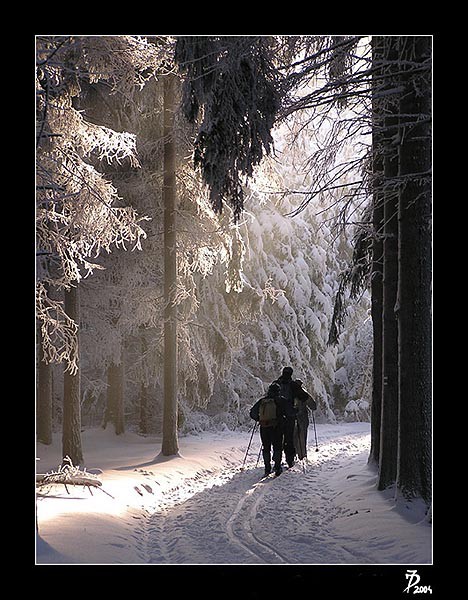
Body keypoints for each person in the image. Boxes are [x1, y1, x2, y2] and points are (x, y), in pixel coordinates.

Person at [274, 367, 314, 467]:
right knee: (290, 439)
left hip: (276, 417)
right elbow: (307, 399)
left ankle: (276, 461)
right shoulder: (293, 386)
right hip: (291, 416)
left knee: (278, 439)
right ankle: (292, 459)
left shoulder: (276, 384)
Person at [250, 382, 285, 477]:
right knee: (277, 447)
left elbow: (252, 413)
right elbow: (289, 411)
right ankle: (277, 467)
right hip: (276, 427)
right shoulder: (280, 400)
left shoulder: (262, 401)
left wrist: (260, 419)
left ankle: (267, 468)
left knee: (266, 447)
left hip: (264, 427)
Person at [293, 379, 317, 461]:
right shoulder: (303, 393)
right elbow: (313, 406)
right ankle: (302, 456)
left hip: (291, 419)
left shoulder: (289, 392)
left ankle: (292, 456)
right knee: (302, 437)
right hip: (302, 418)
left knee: (292, 438)